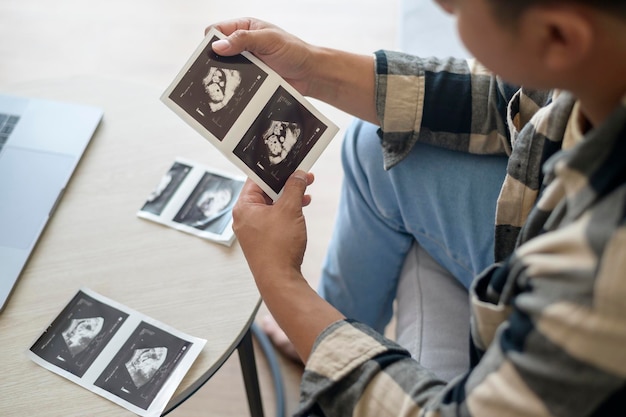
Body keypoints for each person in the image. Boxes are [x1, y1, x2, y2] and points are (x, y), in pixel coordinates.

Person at [212, 0, 626, 414]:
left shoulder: (603, 271)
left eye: (458, 9)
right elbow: (512, 100)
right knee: (376, 143)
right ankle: (331, 328)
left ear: (558, 36)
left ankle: (324, 344)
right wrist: (314, 68)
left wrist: (280, 281)